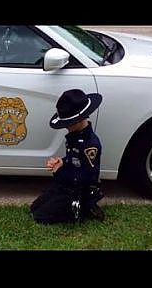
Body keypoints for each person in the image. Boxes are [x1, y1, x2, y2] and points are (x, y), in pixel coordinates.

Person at [30, 89, 105, 224]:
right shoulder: (75, 136)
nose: (65, 127)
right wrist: (63, 162)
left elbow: (83, 177)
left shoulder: (90, 145)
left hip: (79, 189)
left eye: (68, 124)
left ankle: (83, 207)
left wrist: (59, 171)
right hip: (67, 184)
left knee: (40, 217)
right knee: (34, 207)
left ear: (79, 120)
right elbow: (75, 160)